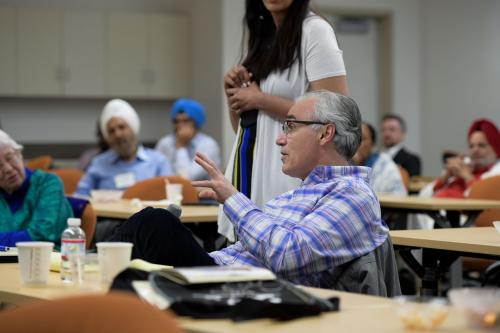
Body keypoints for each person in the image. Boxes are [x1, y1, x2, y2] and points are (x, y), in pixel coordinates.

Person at [110, 91, 389, 289]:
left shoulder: (353, 194)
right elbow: (246, 251)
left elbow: (286, 255)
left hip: (259, 297)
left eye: (290, 126)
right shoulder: (296, 193)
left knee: (154, 224)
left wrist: (233, 199)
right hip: (228, 278)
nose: (280, 139)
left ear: (325, 133)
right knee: (131, 278)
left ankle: (86, 263)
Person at [220, 0, 348, 241]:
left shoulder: (315, 30)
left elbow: (335, 114)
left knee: (279, 257)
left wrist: (260, 99)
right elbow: (243, 128)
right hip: (248, 173)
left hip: (285, 176)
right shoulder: (264, 36)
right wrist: (235, 95)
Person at [75, 99, 173, 196]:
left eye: (121, 127)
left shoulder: (158, 162)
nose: (117, 134)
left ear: (133, 128)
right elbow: (80, 196)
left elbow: (170, 198)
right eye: (111, 131)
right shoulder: (99, 163)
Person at [0, 130, 72, 247]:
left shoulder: (48, 184)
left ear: (19, 154)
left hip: (48, 262)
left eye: (9, 158)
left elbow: (41, 235)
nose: (8, 169)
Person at [433, 118, 500, 198]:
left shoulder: (497, 173)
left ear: (496, 149)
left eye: (481, 145)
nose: (475, 150)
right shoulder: (465, 167)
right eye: (471, 146)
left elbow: (483, 202)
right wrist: (444, 178)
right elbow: (426, 196)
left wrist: (467, 177)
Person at [155, 98, 221, 180]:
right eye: (176, 121)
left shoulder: (208, 144)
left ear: (196, 123)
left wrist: (181, 145)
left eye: (185, 121)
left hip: (202, 191)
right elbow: (157, 173)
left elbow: (187, 177)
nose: (180, 125)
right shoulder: (165, 143)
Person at [352, 122, 407, 196]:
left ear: (372, 144)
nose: (356, 144)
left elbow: (399, 197)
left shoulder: (385, 166)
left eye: (362, 139)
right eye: (352, 139)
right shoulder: (343, 163)